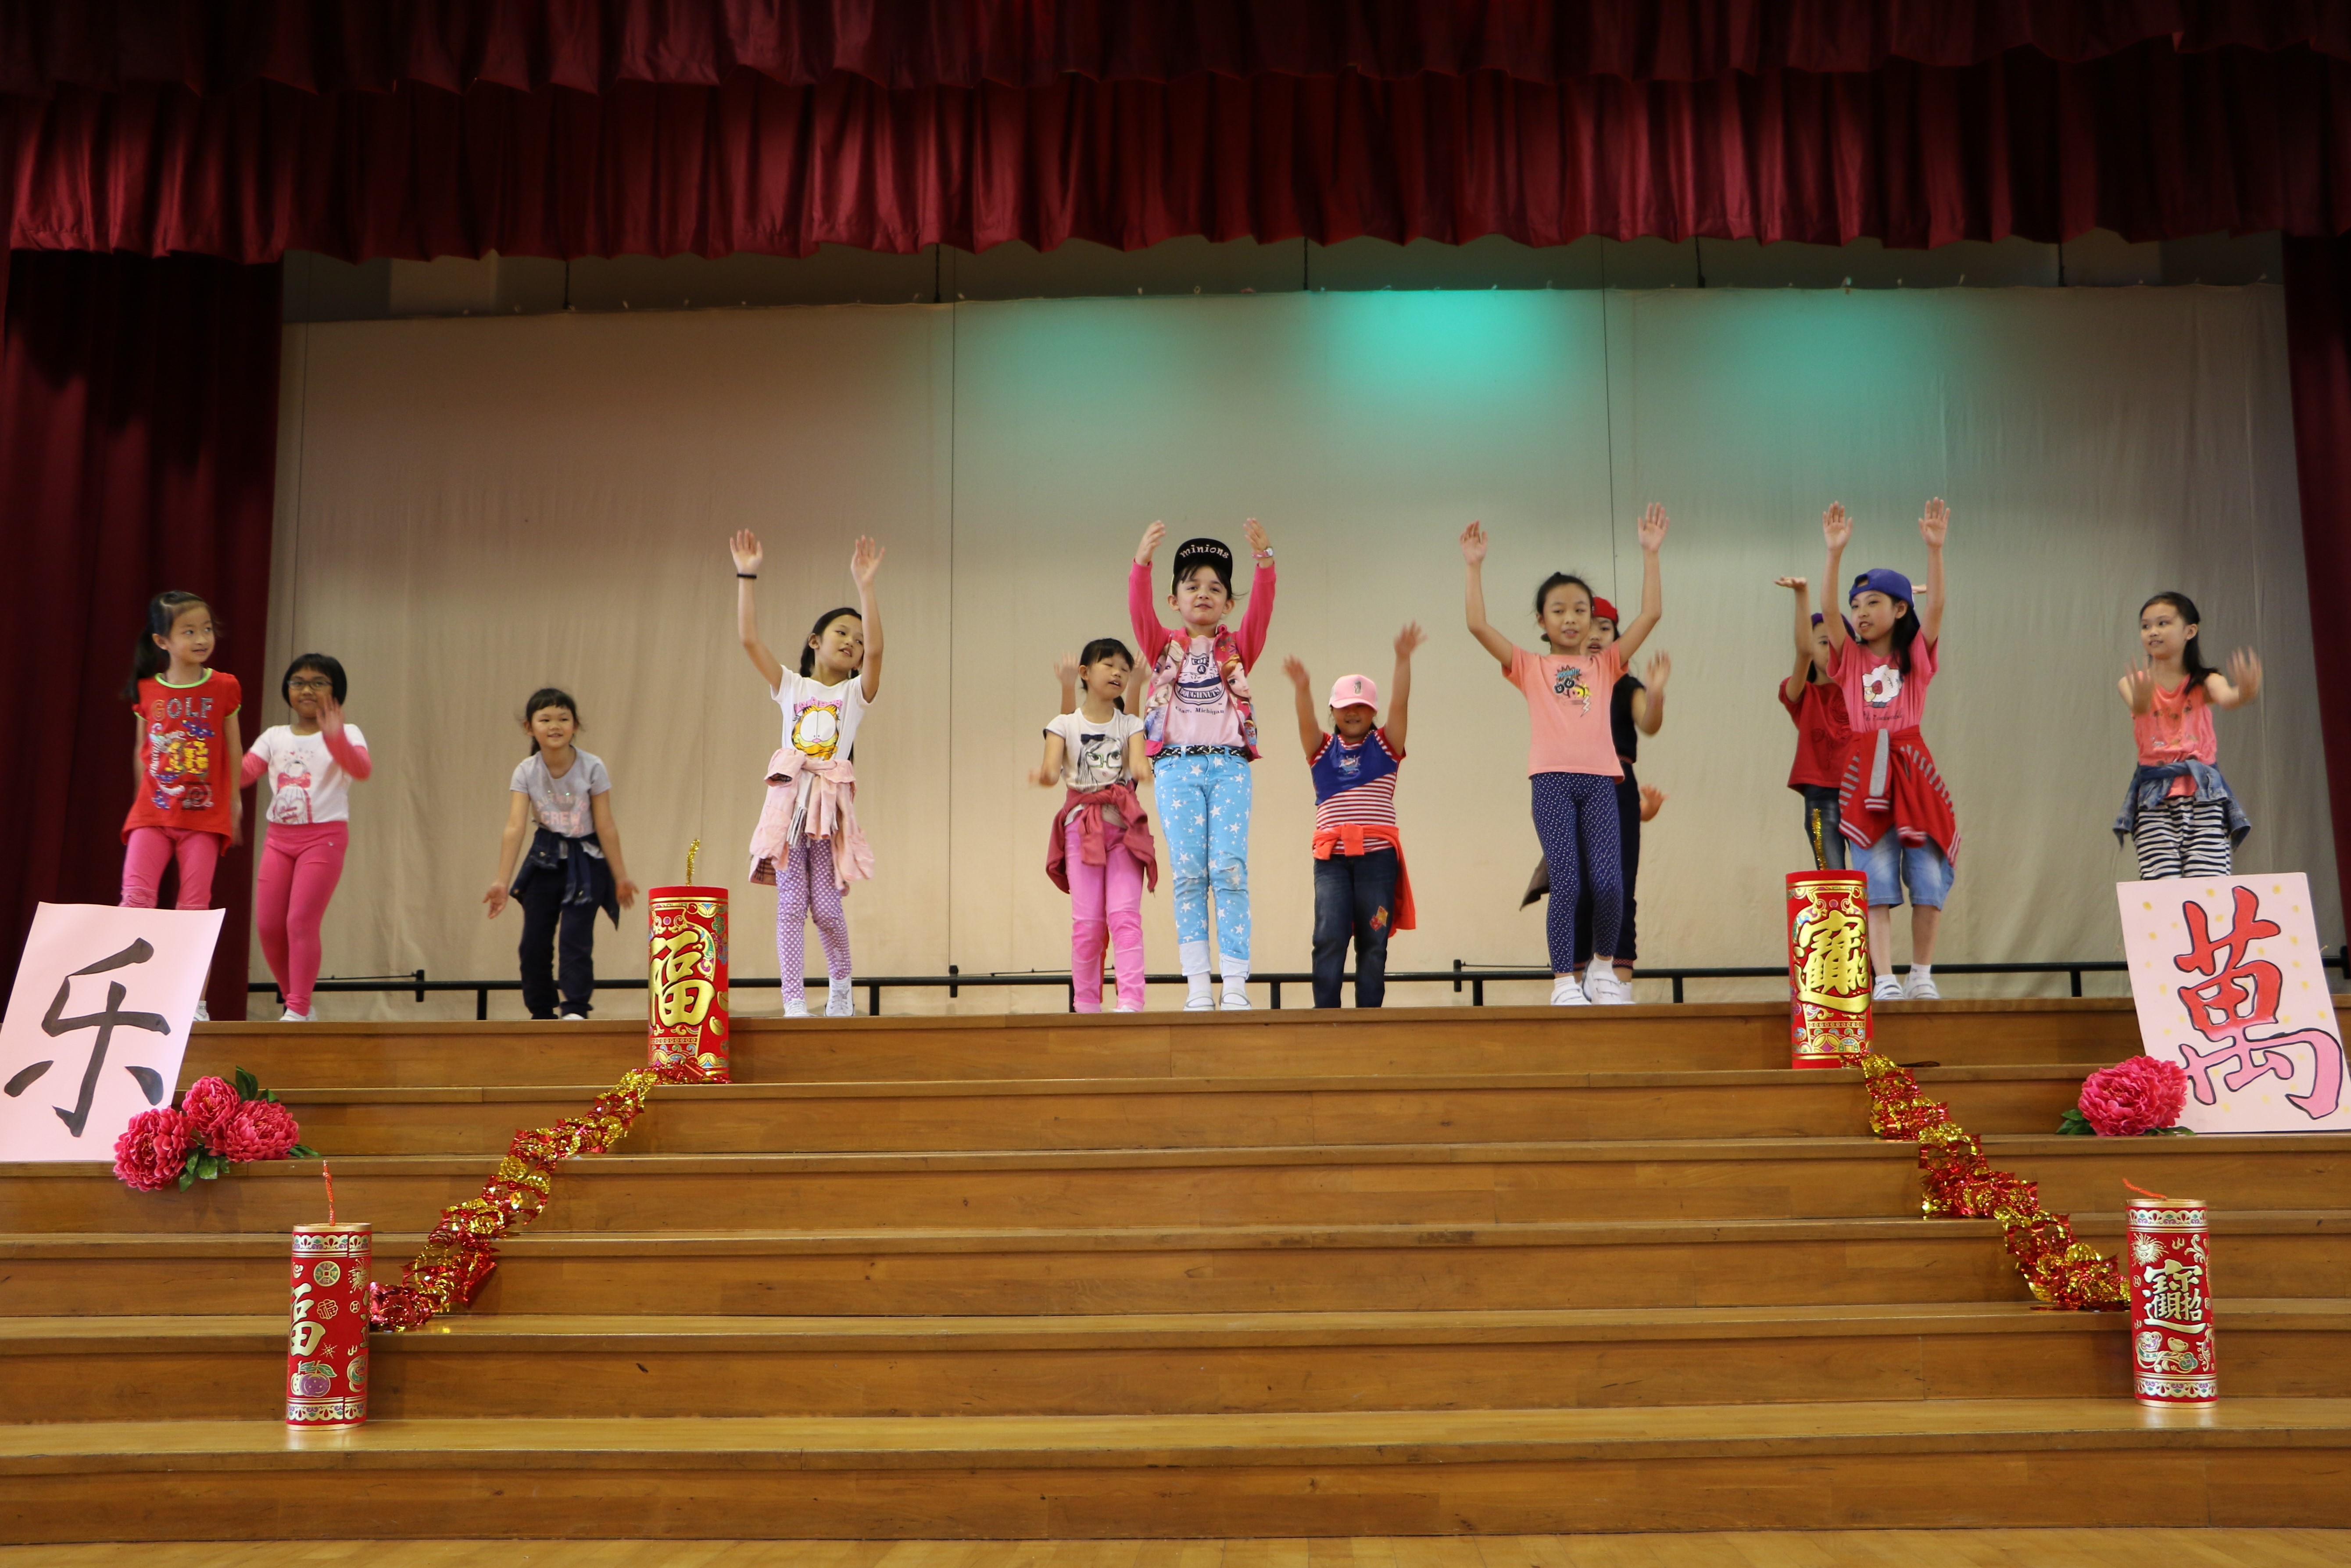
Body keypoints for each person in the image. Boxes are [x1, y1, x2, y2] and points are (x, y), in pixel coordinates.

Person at [1461, 507, 1667, 1006]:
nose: (1571, 618)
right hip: (1551, 781)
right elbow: (1476, 625)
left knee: (1610, 883)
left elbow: (1651, 615)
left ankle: (1601, 969)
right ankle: (1562, 983)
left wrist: (1650, 554)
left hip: (1602, 781)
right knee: (1568, 881)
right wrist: (1473, 567)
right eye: (1559, 610)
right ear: (1542, 620)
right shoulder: (1529, 666)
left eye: (1580, 610)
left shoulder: (1607, 664)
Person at [734, 529, 885, 1018]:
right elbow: (749, 639)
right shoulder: (791, 685)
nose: (853, 642)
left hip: (826, 806)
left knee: (824, 906)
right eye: (842, 632)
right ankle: (794, 1000)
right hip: (788, 804)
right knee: (789, 905)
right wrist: (747, 575)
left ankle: (841, 987)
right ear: (815, 641)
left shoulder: (854, 695)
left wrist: (866, 587)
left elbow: (880, 654)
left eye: (858, 640)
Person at [1130, 518, 1277, 1011]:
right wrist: (1142, 565)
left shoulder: (1236, 647)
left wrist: (1265, 562)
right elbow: (1138, 612)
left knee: (1230, 870)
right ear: (1174, 599)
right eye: (1191, 585)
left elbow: (1262, 612)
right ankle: (1197, 984)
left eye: (1215, 587)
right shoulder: (1163, 646)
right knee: (1189, 872)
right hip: (1176, 768)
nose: (1203, 594)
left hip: (1230, 767)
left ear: (1227, 603)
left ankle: (1234, 981)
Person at [1819, 499, 1955, 1002]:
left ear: (1900, 608)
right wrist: (1834, 555)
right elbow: (1830, 613)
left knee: (1925, 872)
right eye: (1856, 606)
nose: (1860, 613)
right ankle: (1885, 978)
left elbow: (1936, 608)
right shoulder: (1849, 658)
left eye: (1872, 603)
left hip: (1910, 765)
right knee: (1874, 876)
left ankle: (1921, 973)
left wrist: (1934, 550)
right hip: (1865, 768)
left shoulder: (1914, 656)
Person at [1518, 600, 1671, 998]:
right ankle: (1570, 981)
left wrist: (1654, 693)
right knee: (1573, 886)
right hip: (1564, 781)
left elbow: (1650, 723)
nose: (1596, 635)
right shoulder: (1559, 678)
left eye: (1607, 628)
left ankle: (1613, 979)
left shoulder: (1620, 683)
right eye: (1591, 626)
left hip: (1614, 782)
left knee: (1616, 885)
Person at [1281, 624, 1424, 1009]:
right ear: (1333, 711)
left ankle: (1369, 1019)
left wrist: (1402, 659)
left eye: (1362, 706)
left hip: (1377, 858)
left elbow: (1401, 705)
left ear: (1373, 711)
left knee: (1373, 938)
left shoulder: (1386, 746)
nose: (1354, 713)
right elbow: (1305, 723)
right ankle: (1325, 1015)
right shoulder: (1321, 750)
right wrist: (1302, 689)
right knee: (1328, 935)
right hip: (1331, 861)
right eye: (1345, 707)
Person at [121, 591, 243, 1021]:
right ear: (162, 641)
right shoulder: (148, 690)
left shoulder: (224, 686)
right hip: (152, 815)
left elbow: (233, 751)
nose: (201, 638)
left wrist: (235, 806)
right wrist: (144, 811)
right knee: (135, 900)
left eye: (206, 629)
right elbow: (142, 755)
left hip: (203, 816)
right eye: (188, 631)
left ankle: (195, 1003)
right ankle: (130, 993)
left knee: (194, 909)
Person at [483, 688, 638, 1020]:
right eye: (546, 719)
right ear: (530, 728)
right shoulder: (526, 771)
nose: (555, 726)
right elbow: (515, 827)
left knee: (575, 938)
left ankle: (576, 1010)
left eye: (563, 719)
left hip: (587, 862)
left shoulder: (592, 767)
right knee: (533, 943)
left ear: (575, 725)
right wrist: (501, 881)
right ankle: (541, 1012)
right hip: (545, 859)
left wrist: (620, 875)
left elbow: (606, 824)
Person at [242, 655, 371, 1022]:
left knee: (300, 922)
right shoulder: (274, 736)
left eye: (318, 683)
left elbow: (361, 770)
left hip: (324, 839)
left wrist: (334, 738)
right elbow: (244, 773)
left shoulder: (349, 733)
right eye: (298, 682)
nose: (307, 690)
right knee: (268, 926)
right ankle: (298, 1003)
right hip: (278, 840)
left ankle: (297, 1007)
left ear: (336, 692)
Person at [1037, 641, 1157, 1013]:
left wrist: (1140, 770)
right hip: (1082, 830)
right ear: (1086, 674)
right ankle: (1086, 1005)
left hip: (1123, 829)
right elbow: (1050, 772)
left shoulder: (1131, 723)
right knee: (1087, 924)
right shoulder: (1064, 724)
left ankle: (1132, 1002)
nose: (1118, 672)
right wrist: (1041, 775)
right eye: (1109, 665)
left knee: (1124, 918)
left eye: (1124, 667)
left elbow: (1138, 762)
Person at [2114, 591, 2260, 878]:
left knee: (2207, 881)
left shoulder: (2206, 681)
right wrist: (2144, 699)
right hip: (2155, 798)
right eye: (2145, 626)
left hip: (2203, 794)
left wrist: (2246, 691)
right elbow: (2139, 705)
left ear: (2189, 631)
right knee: (2161, 884)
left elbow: (2230, 698)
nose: (2152, 632)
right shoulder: (2132, 682)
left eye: (2163, 623)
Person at [1775, 576, 1854, 869]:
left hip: (1861, 792)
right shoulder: (1802, 692)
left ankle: (1871, 919)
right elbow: (1803, 652)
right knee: (1831, 873)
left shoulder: (1864, 691)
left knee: (1870, 876)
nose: (1831, 648)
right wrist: (1801, 593)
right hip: (1821, 795)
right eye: (1823, 642)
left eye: (1838, 641)